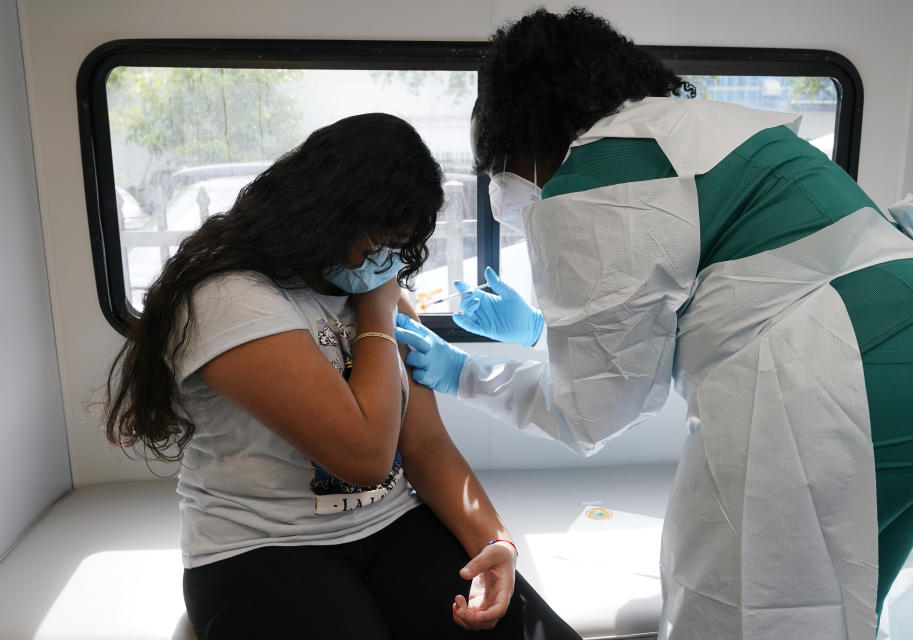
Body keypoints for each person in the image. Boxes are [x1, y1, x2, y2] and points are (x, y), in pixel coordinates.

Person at [394, 8, 913, 639]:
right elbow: (740, 287)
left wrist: (465, 375)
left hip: (846, 377)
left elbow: (593, 416)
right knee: (896, 594)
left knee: (743, 617)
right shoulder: (710, 126)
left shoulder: (590, 182)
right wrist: (537, 334)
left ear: (520, 129)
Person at [103, 113, 581, 640]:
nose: (384, 260)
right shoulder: (228, 297)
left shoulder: (378, 288)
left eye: (397, 244)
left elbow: (425, 444)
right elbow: (363, 459)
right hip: (262, 547)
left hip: (391, 526)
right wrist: (378, 311)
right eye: (374, 239)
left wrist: (494, 542)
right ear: (321, 213)